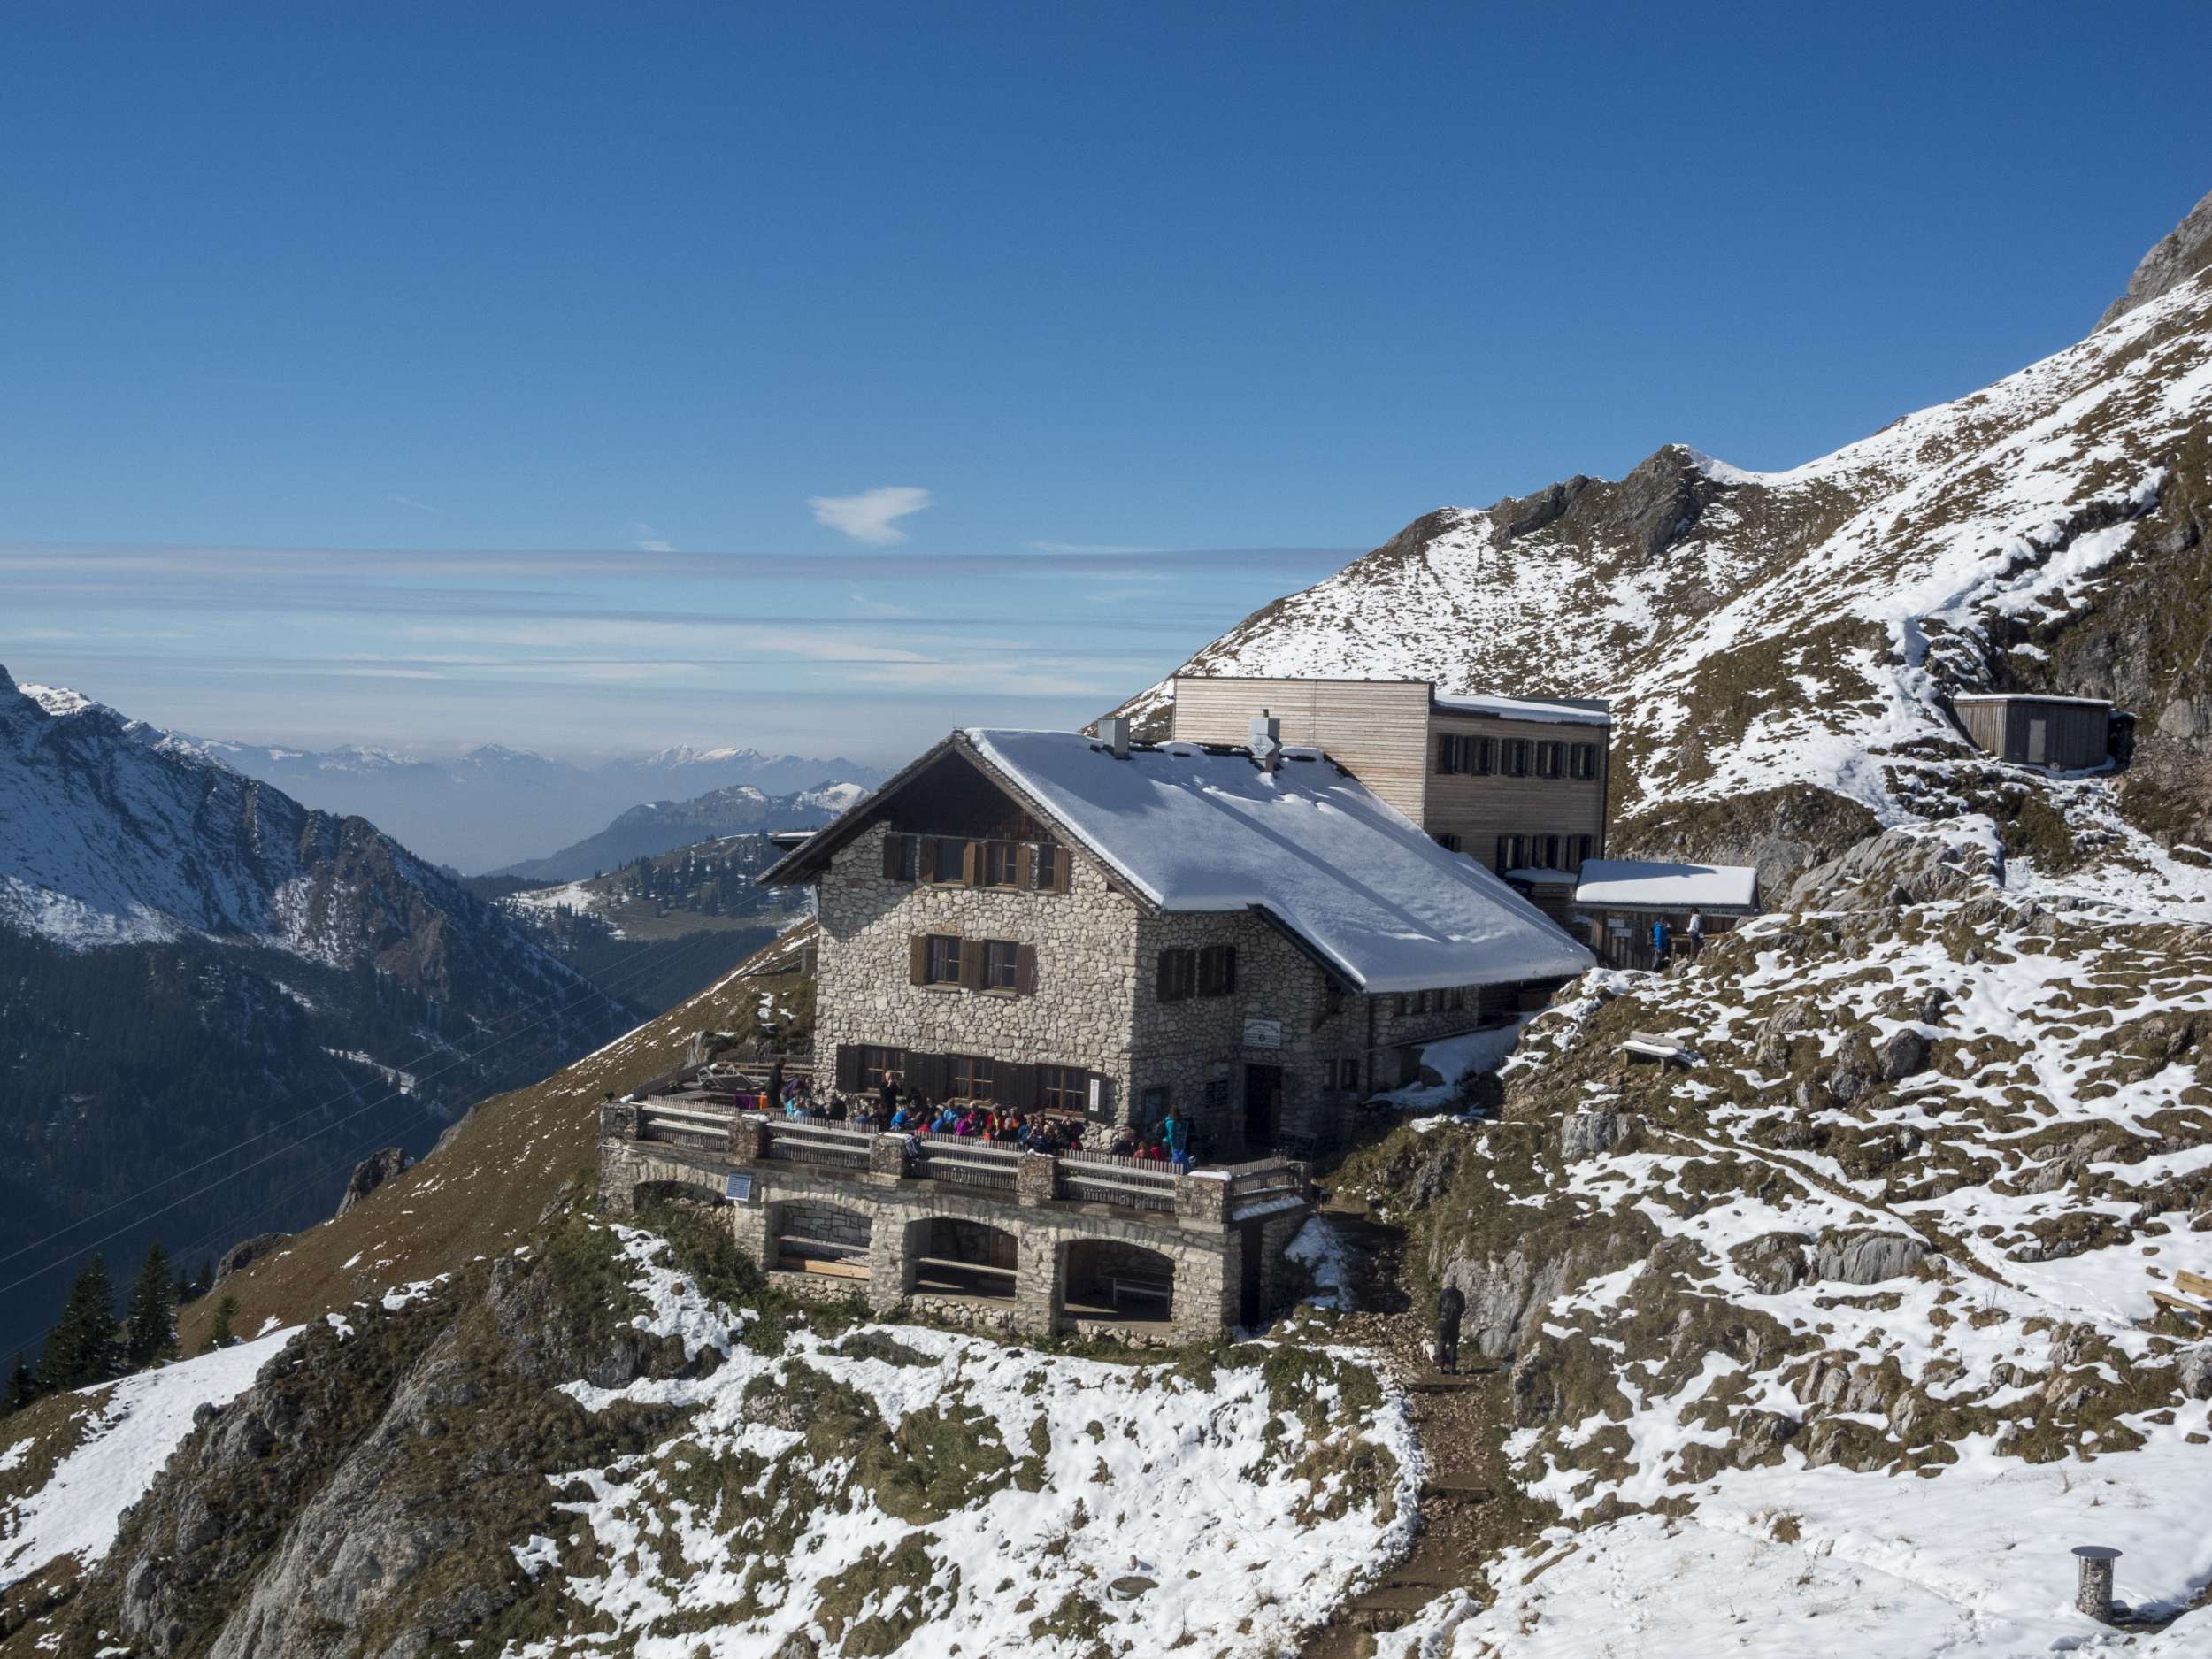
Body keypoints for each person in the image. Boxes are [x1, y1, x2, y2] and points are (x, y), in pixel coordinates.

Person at [1434, 1281, 1467, 1375]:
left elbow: (1438, 1307)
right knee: (1453, 1344)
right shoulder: (1460, 1294)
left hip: (1444, 1321)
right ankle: (1452, 1368)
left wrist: (1441, 1315)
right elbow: (1462, 1308)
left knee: (1442, 1342)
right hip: (1455, 1322)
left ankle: (1441, 1366)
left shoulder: (1443, 1293)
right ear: (1456, 1284)